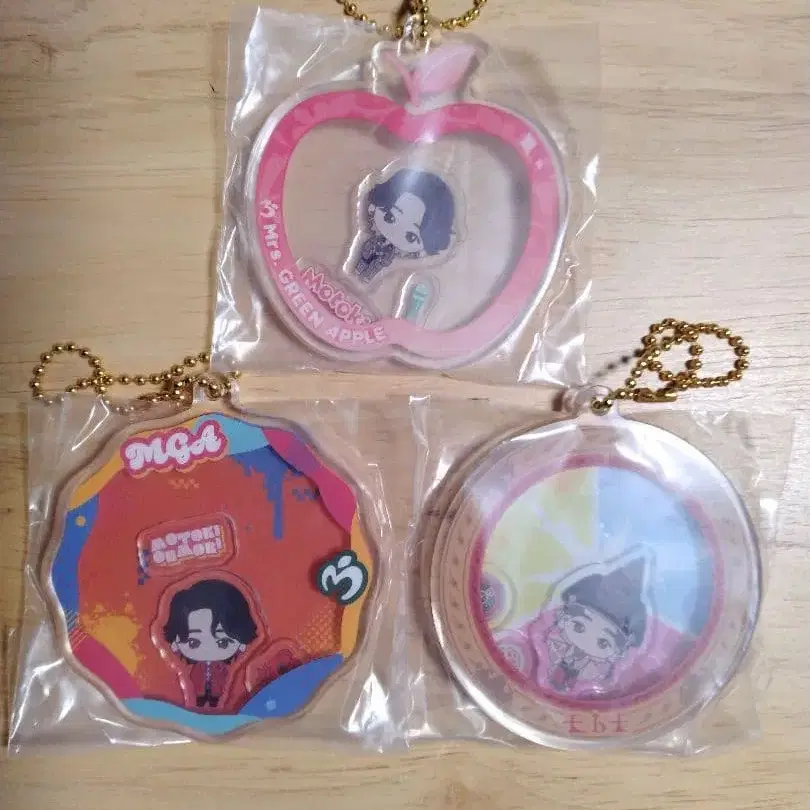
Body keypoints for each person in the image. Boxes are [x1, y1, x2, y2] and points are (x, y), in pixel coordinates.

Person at [539, 558, 648, 693]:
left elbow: (635, 640)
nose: (585, 642)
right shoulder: (593, 581)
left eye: (603, 643)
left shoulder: (637, 610)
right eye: (579, 627)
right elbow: (566, 596)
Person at [163, 579, 259, 709]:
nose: (207, 650)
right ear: (175, 641)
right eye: (193, 642)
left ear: (242, 640)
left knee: (218, 692)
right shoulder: (194, 670)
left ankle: (215, 702)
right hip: (196, 686)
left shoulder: (226, 669)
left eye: (223, 642)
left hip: (221, 686)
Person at [353, 168, 455, 283]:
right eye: (390, 217)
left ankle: (366, 276)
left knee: (373, 269)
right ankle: (358, 270)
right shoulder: (374, 240)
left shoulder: (392, 254)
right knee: (363, 260)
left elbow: (385, 262)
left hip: (381, 262)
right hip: (368, 251)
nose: (396, 233)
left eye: (411, 236)